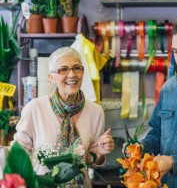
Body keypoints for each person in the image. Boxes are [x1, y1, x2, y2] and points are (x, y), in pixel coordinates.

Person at [12, 47, 115, 187]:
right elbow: (17, 155)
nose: (72, 74)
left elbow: (91, 161)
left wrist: (100, 152)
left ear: (83, 72)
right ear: (51, 77)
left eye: (77, 68)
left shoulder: (95, 112)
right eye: (63, 69)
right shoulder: (34, 109)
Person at [137, 8, 177, 187]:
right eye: (175, 51)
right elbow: (157, 132)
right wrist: (143, 147)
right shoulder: (168, 88)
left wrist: (173, 163)